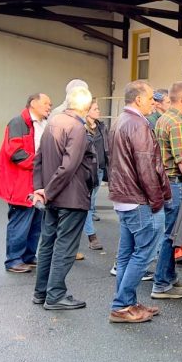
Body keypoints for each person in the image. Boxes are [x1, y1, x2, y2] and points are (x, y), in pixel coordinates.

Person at [106, 81, 170, 324]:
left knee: (127, 254)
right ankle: (122, 305)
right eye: (150, 98)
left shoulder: (121, 121)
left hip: (124, 197)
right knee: (143, 253)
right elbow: (147, 168)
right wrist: (157, 201)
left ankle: (127, 302)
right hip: (138, 199)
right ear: (138, 99)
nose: (153, 102)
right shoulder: (138, 124)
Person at [31, 85, 98, 311]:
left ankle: (41, 292)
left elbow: (38, 158)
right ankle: (55, 294)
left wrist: (41, 189)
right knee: (65, 247)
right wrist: (47, 191)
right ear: (86, 107)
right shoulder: (77, 128)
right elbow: (69, 166)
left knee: (48, 244)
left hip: (52, 197)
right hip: (71, 197)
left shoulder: (53, 122)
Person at [0, 92, 51, 273]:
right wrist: (40, 163)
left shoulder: (43, 124)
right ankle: (14, 260)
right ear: (33, 103)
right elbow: (15, 153)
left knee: (35, 221)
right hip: (20, 181)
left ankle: (29, 256)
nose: (49, 106)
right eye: (46, 103)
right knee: (20, 221)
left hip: (36, 180)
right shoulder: (18, 123)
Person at [150, 81, 182, 301]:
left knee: (172, 232)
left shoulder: (163, 119)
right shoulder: (177, 123)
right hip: (177, 183)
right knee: (173, 235)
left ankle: (169, 276)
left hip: (168, 182)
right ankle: (161, 283)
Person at [82, 100, 108, 252]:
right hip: (86, 171)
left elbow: (106, 147)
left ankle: (82, 229)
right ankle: (92, 236)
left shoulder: (101, 126)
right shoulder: (81, 128)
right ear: (87, 111)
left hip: (99, 169)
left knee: (90, 204)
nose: (98, 111)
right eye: (95, 109)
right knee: (87, 205)